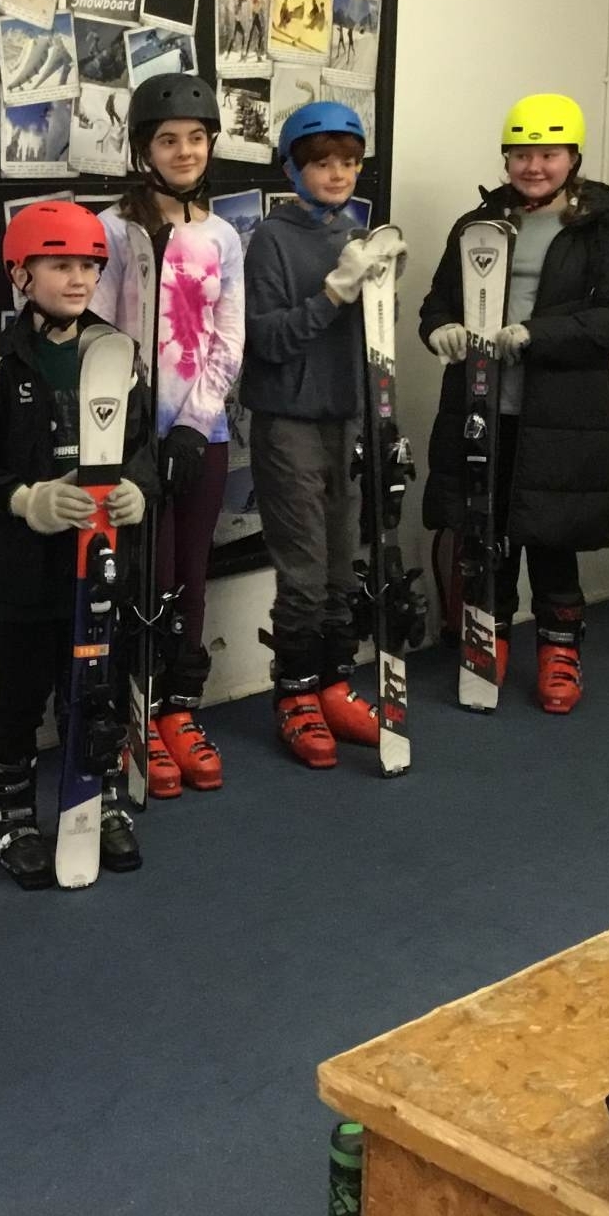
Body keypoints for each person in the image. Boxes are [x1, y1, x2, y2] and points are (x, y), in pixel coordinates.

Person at [0, 203, 153, 887]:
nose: (79, 278)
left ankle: (99, 800)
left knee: (98, 691)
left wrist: (139, 488)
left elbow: (142, 445)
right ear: (21, 274)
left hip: (99, 567)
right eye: (60, 265)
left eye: (89, 265)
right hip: (23, 575)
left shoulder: (117, 356)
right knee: (20, 697)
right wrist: (24, 499)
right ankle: (11, 818)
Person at [418, 93, 609, 714]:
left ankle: (560, 654)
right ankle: (486, 644)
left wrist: (537, 335)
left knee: (552, 539)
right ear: (506, 159)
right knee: (484, 536)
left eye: (548, 154)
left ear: (573, 159)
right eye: (522, 154)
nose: (534, 166)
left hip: (561, 414)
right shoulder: (478, 225)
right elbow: (439, 301)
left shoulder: (599, 231)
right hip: (483, 407)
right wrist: (440, 329)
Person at [91, 75, 243, 797]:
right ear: (143, 149)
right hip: (128, 441)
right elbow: (95, 330)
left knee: (189, 574)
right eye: (168, 139)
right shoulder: (113, 230)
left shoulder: (222, 236)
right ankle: (137, 711)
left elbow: (228, 338)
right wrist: (133, 424)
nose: (184, 151)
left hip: (200, 434)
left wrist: (192, 422)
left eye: (197, 138)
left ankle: (179, 707)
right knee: (139, 576)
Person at [240, 103, 403, 768]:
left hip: (346, 418)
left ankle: (334, 684)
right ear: (293, 169)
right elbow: (269, 341)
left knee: (341, 567)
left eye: (349, 162)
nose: (337, 173)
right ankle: (296, 695)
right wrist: (335, 293)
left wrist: (383, 288)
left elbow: (372, 342)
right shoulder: (270, 240)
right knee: (304, 571)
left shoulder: (355, 234)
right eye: (322, 162)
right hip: (289, 422)